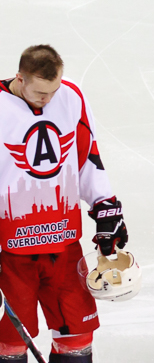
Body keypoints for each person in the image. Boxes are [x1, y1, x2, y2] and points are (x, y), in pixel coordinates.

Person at [0, 45, 129, 363]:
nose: (48, 99)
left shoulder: (70, 97)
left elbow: (87, 158)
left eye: (53, 90)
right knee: (11, 342)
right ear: (20, 78)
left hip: (64, 244)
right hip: (12, 253)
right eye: (40, 93)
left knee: (77, 336)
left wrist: (105, 208)